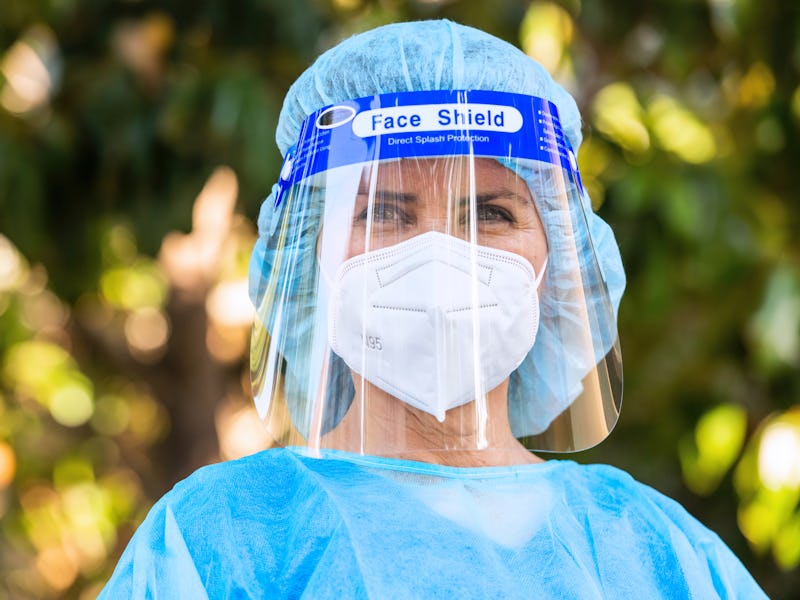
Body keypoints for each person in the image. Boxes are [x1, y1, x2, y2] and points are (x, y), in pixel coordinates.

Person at [100, 20, 766, 598]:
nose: (439, 253)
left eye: (491, 213)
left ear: (558, 257)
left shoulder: (655, 555)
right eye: (384, 212)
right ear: (312, 257)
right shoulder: (225, 540)